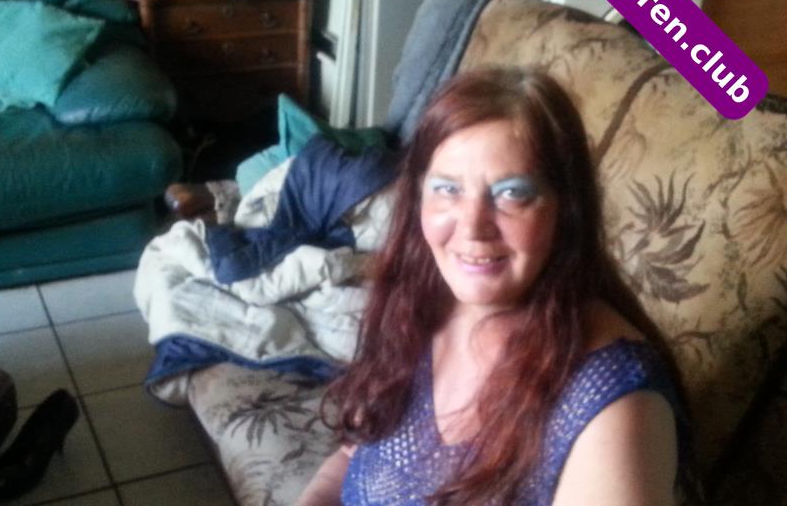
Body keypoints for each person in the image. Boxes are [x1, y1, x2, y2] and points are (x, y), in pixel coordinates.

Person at [297, 67, 695, 505]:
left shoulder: (616, 410)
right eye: (447, 189)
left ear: (567, 209)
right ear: (417, 198)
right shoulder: (421, 302)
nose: (472, 227)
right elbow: (352, 456)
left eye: (512, 193)